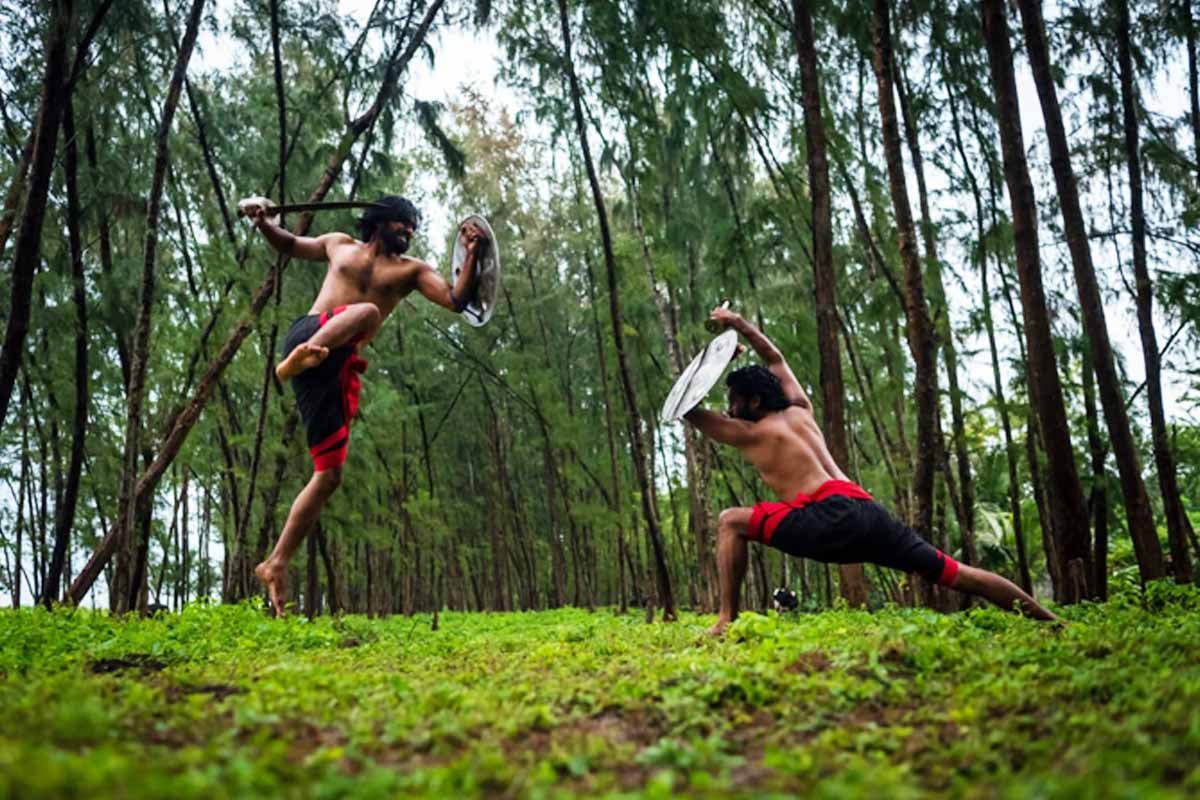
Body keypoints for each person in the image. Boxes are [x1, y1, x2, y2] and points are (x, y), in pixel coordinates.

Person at [685, 305, 1057, 635]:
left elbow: (688, 409)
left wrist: (712, 365)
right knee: (957, 574)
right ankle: (1052, 622)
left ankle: (725, 620)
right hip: (868, 510)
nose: (729, 411)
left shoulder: (751, 432)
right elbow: (775, 357)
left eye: (733, 402)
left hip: (829, 516)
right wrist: (740, 325)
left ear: (753, 400)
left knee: (731, 521)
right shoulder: (801, 408)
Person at [241, 195, 488, 615]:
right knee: (368, 312)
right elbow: (288, 245)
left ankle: (275, 563)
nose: (408, 232)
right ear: (380, 222)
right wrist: (263, 221)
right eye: (402, 224)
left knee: (329, 475)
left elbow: (455, 300)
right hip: (310, 335)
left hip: (333, 366)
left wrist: (472, 251)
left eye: (413, 228)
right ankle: (298, 357)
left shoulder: (412, 271)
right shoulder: (338, 244)